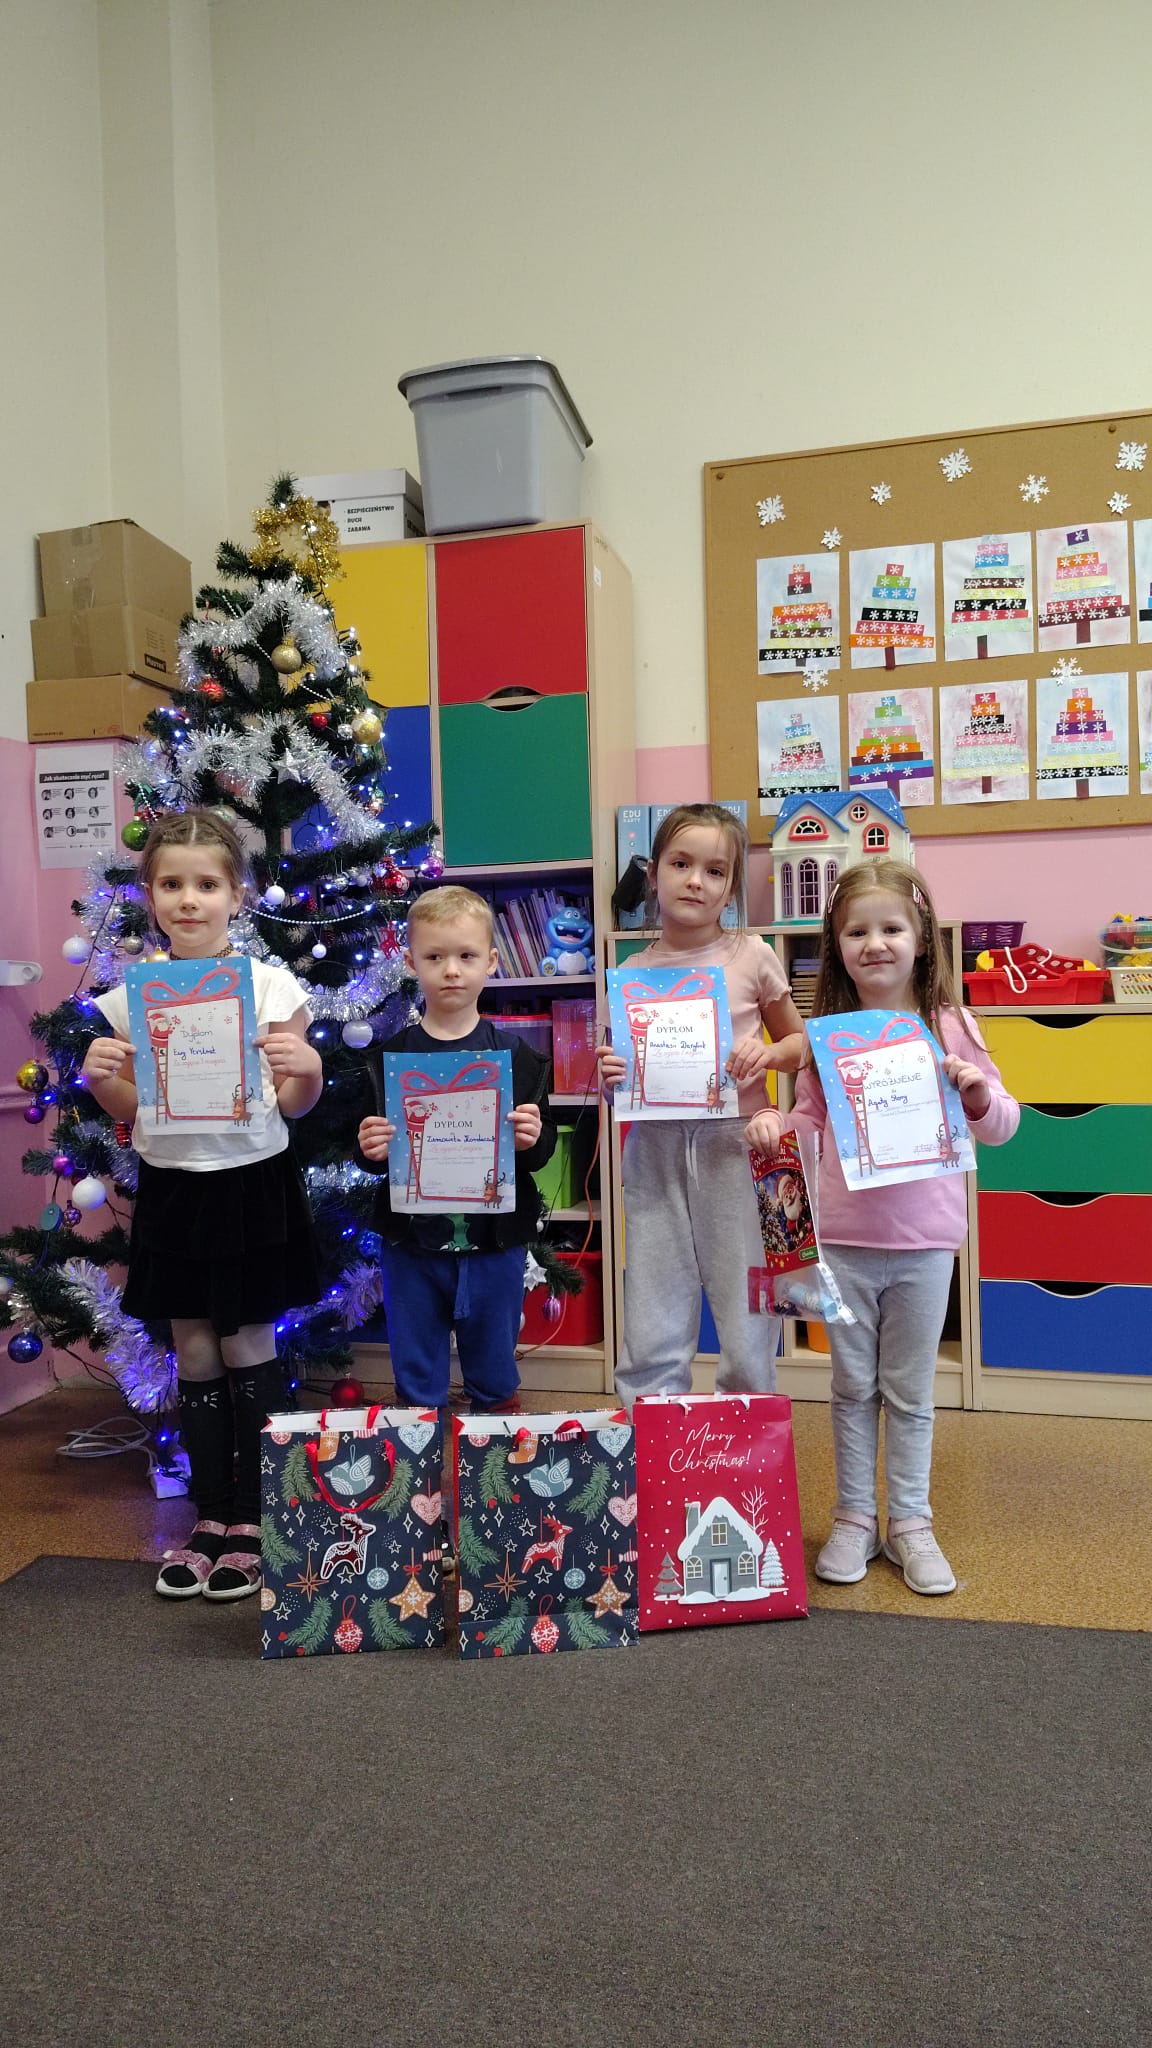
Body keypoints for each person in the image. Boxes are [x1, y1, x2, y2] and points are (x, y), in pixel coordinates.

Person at [745, 858, 1019, 1596]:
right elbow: (808, 1122)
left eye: (891, 928)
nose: (875, 944)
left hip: (926, 1245)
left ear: (921, 938)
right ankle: (855, 1518)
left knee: (910, 1392)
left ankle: (911, 1522)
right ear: (836, 946)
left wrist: (974, 1094)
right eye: (856, 932)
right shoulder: (828, 1037)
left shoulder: (950, 1025)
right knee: (850, 1387)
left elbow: (1003, 1124)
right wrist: (774, 1124)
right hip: (845, 1242)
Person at [81, 809, 323, 1602]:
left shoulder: (272, 987)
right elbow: (130, 1107)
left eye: (208, 884)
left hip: (250, 1183)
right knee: (193, 1351)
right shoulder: (130, 1001)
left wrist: (307, 1066)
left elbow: (295, 1105)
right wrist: (100, 1080)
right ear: (150, 895)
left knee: (248, 1341)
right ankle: (210, 1516)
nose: (190, 899)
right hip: (175, 1187)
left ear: (237, 895)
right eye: (173, 884)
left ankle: (257, 1519)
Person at [598, 802, 805, 1408]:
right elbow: (621, 1082)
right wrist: (611, 1076)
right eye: (680, 864)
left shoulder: (752, 955)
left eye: (715, 871)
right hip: (655, 1150)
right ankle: (652, 1431)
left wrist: (768, 1053)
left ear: (731, 887)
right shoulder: (630, 972)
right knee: (653, 1300)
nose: (696, 881)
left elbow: (801, 1047)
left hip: (740, 1145)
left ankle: (747, 1432)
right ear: (652, 873)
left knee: (747, 1309)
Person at [355, 885, 556, 1412]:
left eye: (466, 956)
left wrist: (533, 1137)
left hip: (494, 1245)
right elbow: (370, 1150)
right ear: (411, 963)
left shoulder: (517, 1057)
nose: (451, 970)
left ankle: (496, 1457)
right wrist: (370, 1146)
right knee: (417, 1368)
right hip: (412, 1245)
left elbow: (539, 1154)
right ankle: (418, 1454)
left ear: (491, 961)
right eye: (434, 957)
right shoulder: (389, 1060)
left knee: (494, 1367)